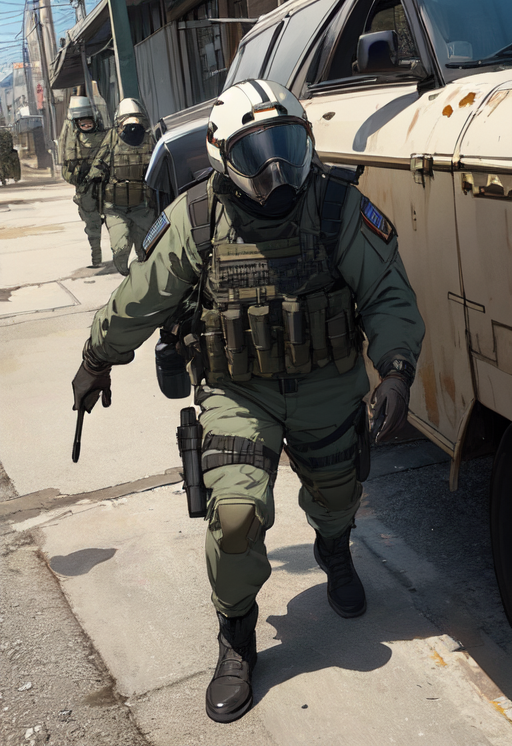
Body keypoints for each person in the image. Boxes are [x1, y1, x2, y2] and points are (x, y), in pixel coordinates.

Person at [71, 80, 425, 724]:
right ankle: (236, 636)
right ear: (221, 156)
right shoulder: (197, 218)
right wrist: (98, 356)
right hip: (238, 391)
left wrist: (397, 370)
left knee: (338, 493)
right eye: (256, 154)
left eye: (286, 146)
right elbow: (141, 297)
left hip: (325, 382)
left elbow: (387, 294)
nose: (275, 170)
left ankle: (335, 549)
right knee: (234, 517)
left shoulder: (336, 206)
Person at [88, 98, 156, 276]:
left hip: (142, 206)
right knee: (121, 248)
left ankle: (142, 281)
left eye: (136, 122)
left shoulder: (150, 141)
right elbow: (97, 166)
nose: (132, 127)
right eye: (128, 123)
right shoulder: (111, 140)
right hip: (115, 208)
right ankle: (126, 274)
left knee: (147, 249)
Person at [58, 96, 106, 267]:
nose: (86, 127)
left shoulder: (105, 137)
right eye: (82, 124)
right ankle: (96, 258)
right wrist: (78, 177)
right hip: (85, 189)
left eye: (89, 123)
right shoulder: (72, 141)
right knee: (92, 225)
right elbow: (66, 168)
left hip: (105, 185)